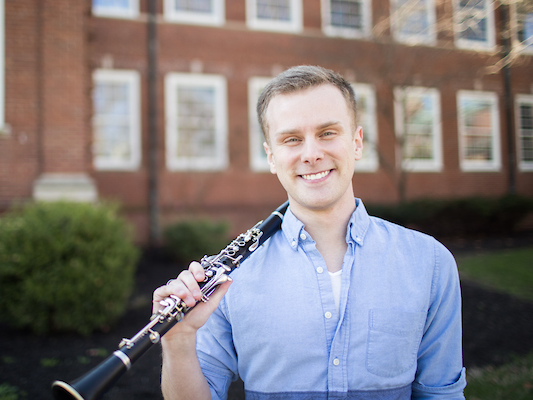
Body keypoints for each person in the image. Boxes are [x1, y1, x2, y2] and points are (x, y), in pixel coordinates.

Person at [153, 65, 467, 399]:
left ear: (356, 142)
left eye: (328, 133)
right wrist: (179, 341)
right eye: (292, 140)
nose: (312, 154)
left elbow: (441, 394)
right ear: (272, 157)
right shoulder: (230, 277)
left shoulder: (429, 263)